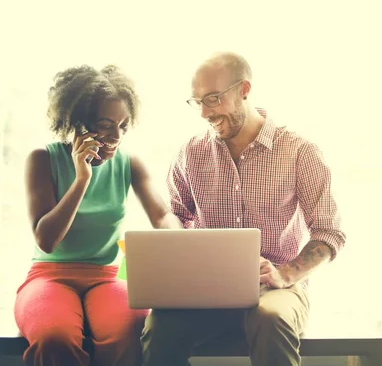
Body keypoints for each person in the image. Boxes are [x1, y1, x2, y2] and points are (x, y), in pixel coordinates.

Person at [140, 52, 346, 366]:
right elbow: (176, 217)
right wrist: (172, 254)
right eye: (197, 102)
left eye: (212, 99)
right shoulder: (191, 153)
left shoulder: (298, 151)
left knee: (270, 318)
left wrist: (285, 273)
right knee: (159, 326)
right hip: (208, 291)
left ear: (244, 89)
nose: (204, 113)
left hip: (277, 289)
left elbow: (329, 233)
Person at [13, 64, 182, 366]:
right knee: (55, 337)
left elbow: (162, 215)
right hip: (50, 276)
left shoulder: (130, 164)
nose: (116, 135)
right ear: (77, 122)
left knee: (130, 330)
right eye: (105, 124)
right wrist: (82, 179)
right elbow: (47, 240)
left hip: (109, 276)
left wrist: (180, 239)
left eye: (124, 125)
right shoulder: (42, 159)